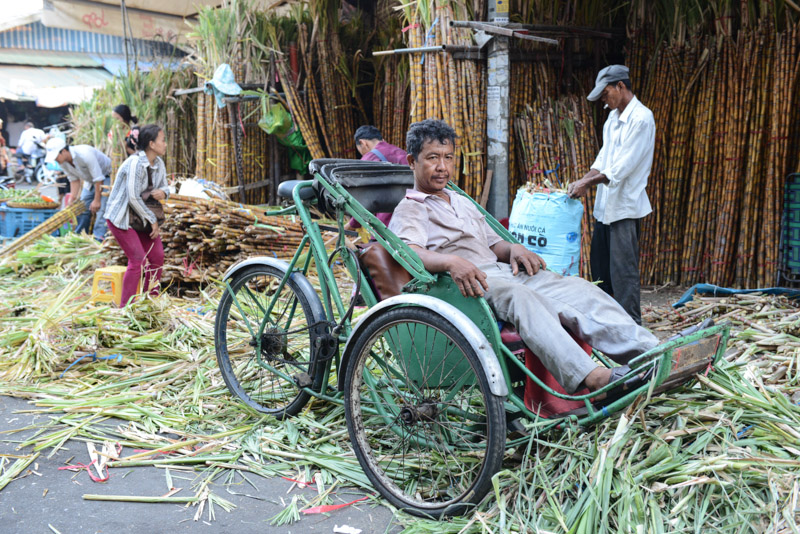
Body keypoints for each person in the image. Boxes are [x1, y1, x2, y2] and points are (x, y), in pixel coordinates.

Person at [388, 119, 660, 399]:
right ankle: (592, 378)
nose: (442, 167)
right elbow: (410, 252)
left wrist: (515, 249)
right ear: (412, 161)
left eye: (448, 158)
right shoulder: (412, 208)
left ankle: (652, 351)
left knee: (578, 288)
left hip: (501, 272)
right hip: (463, 286)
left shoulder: (459, 199)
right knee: (522, 297)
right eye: (432, 158)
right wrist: (450, 263)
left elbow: (494, 243)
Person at [567, 65, 655, 326]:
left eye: (606, 94)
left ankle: (632, 328)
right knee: (601, 270)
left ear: (621, 86)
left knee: (623, 274)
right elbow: (603, 159)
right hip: (605, 207)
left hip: (626, 208)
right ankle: (607, 325)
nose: (604, 100)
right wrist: (583, 180)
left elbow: (620, 168)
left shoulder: (641, 118)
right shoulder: (612, 118)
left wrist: (588, 183)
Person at [104, 124, 169, 306]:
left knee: (157, 257)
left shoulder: (159, 164)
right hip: (122, 218)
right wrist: (152, 219)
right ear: (151, 144)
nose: (165, 144)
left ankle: (150, 304)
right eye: (162, 140)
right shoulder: (135, 163)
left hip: (142, 220)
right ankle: (126, 309)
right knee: (138, 259)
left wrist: (164, 193)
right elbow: (132, 197)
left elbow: (165, 186)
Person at [44, 137, 112, 241]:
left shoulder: (85, 154)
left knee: (101, 209)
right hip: (90, 181)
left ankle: (99, 238)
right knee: (82, 207)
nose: (55, 160)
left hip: (106, 178)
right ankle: (80, 236)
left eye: (56, 156)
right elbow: (74, 179)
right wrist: (73, 197)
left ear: (64, 151)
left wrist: (97, 200)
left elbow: (99, 179)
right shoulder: (63, 163)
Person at [347, 126, 409, 232]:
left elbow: (366, 201)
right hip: (411, 218)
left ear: (363, 143)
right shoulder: (402, 153)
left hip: (388, 225)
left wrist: (352, 224)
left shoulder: (369, 159)